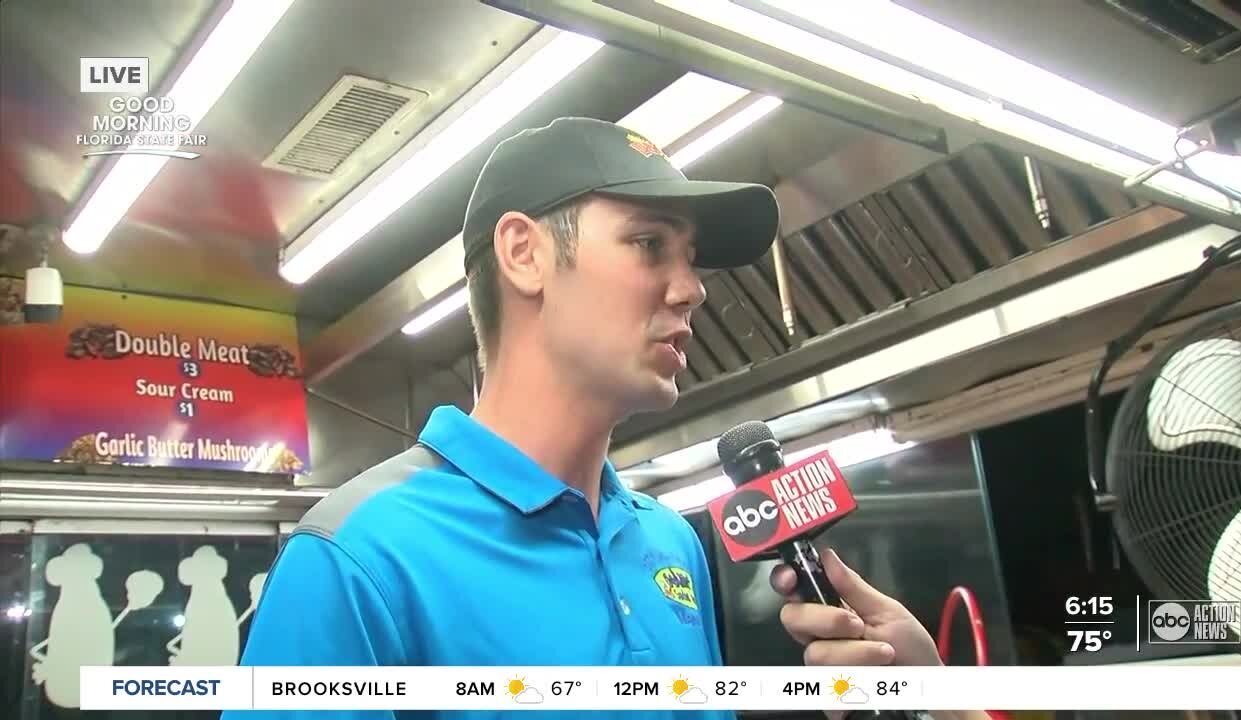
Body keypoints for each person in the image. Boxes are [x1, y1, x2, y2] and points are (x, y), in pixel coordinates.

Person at [225, 117, 982, 720]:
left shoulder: (670, 543)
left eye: (691, 257)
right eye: (650, 244)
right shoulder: (359, 560)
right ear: (525, 254)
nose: (693, 289)